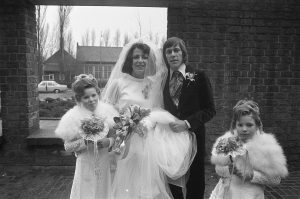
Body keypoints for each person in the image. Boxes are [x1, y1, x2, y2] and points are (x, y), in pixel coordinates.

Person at [101, 39, 197, 199]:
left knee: (148, 188)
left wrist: (148, 121)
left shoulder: (154, 85)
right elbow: (107, 113)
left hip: (148, 144)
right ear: (129, 60)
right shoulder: (118, 84)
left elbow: (158, 110)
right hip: (123, 142)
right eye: (136, 57)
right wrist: (123, 126)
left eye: (144, 57)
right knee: (124, 185)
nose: (140, 61)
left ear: (149, 60)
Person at [162, 37, 216, 199]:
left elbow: (210, 110)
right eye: (168, 51)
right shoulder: (163, 80)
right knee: (172, 178)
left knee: (195, 179)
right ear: (165, 56)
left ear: (183, 53)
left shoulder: (199, 76)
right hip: (170, 138)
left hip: (194, 136)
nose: (173, 54)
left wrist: (187, 123)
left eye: (176, 50)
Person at [55, 74, 118, 199]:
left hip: (104, 162)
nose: (91, 99)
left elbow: (115, 137)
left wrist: (109, 142)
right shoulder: (73, 117)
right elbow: (67, 146)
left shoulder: (108, 112)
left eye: (94, 95)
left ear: (98, 94)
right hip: (85, 163)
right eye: (86, 97)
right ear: (79, 99)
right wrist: (85, 142)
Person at [209, 100, 288, 199]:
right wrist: (229, 170)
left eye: (249, 125)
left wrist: (252, 176)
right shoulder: (227, 141)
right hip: (226, 193)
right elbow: (218, 168)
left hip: (252, 194)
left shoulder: (268, 146)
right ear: (235, 125)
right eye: (240, 125)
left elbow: (275, 179)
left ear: (257, 125)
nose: (244, 129)